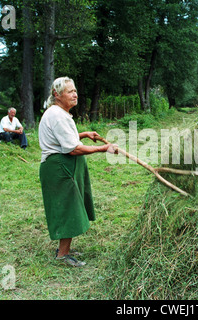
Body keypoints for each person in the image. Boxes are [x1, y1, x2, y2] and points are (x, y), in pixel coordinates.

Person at [39, 76, 118, 267]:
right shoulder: (57, 115)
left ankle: (64, 249)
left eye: (75, 91)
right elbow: (72, 148)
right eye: (69, 91)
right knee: (67, 208)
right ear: (57, 95)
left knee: (71, 205)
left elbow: (63, 138)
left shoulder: (60, 113)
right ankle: (62, 256)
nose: (75, 94)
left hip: (64, 165)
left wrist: (84, 134)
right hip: (59, 168)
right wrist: (103, 149)